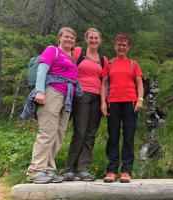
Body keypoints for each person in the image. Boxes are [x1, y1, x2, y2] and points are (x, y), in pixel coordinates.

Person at [26, 27, 81, 184]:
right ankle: (35, 171)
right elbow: (42, 70)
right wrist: (40, 91)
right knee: (47, 132)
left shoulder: (70, 57)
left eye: (72, 38)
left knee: (59, 133)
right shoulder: (52, 50)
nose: (69, 39)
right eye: (66, 37)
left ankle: (49, 169)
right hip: (52, 93)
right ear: (59, 38)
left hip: (66, 98)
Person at [63, 28, 108, 181]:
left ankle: (83, 169)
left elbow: (103, 83)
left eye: (96, 38)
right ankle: (69, 169)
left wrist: (104, 102)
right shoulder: (78, 52)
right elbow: (67, 67)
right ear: (86, 39)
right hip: (81, 95)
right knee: (80, 132)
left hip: (96, 97)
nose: (93, 40)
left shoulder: (104, 60)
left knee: (90, 134)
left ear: (100, 40)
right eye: (91, 38)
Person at [100, 33, 143, 183]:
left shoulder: (133, 63)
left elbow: (139, 83)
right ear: (115, 46)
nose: (121, 47)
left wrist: (140, 99)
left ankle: (126, 170)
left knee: (128, 137)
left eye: (124, 44)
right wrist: (103, 102)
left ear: (128, 47)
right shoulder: (109, 63)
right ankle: (112, 170)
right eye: (119, 44)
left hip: (130, 103)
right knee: (113, 137)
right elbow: (104, 84)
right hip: (113, 103)